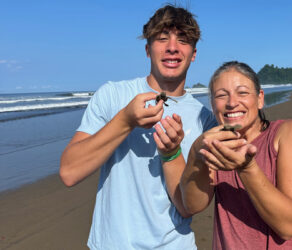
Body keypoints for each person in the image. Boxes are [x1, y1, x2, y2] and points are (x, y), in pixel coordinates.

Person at [59, 5, 216, 249]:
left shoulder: (205, 120)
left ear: (193, 53)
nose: (172, 47)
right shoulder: (112, 95)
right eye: (162, 39)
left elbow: (190, 207)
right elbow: (69, 172)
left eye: (182, 40)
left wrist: (173, 153)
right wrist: (125, 121)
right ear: (147, 49)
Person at [177, 61, 292, 249]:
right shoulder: (216, 146)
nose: (232, 103)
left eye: (242, 92)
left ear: (260, 98)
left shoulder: (290, 132)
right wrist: (196, 153)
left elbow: (288, 225)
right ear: (212, 104)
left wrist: (246, 168)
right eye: (221, 95)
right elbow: (192, 205)